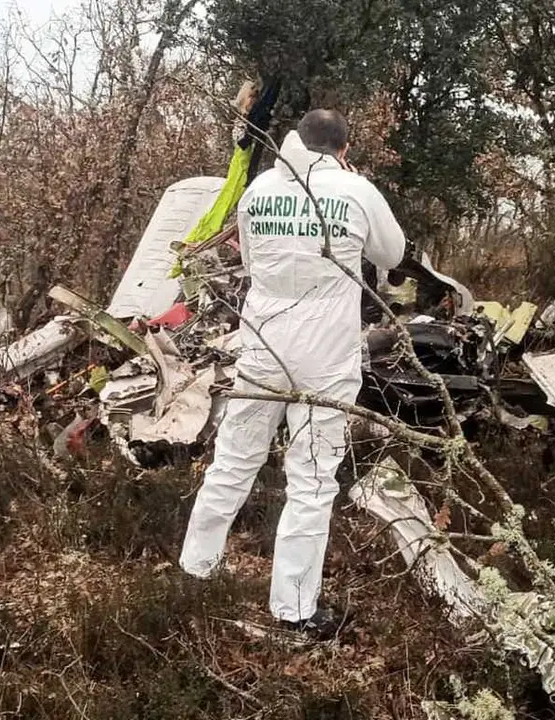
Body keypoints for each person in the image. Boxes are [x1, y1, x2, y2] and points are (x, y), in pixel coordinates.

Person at [179, 109, 407, 639]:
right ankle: (295, 608)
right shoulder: (355, 191)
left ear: (295, 142)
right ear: (342, 149)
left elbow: (255, 266)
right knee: (311, 481)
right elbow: (391, 254)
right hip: (326, 358)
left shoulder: (259, 190)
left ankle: (195, 569)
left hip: (263, 346)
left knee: (233, 462)